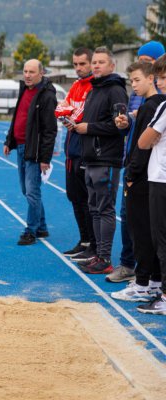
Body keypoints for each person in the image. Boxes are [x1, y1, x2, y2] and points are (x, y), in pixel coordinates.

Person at [107, 41, 165, 283]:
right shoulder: (139, 97)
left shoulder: (159, 102)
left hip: (150, 172)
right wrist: (128, 123)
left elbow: (146, 141)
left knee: (151, 230)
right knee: (133, 222)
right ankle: (135, 269)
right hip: (140, 166)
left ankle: (149, 281)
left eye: (148, 65)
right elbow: (137, 132)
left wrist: (133, 172)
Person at [73, 47, 128, 274]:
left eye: (101, 62)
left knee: (105, 209)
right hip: (91, 157)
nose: (96, 66)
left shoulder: (115, 90)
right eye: (94, 62)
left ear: (111, 66)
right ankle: (97, 254)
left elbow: (119, 126)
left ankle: (105, 258)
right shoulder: (94, 90)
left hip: (106, 158)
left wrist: (89, 128)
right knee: (94, 207)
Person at [3, 59, 57, 246]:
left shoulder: (47, 95)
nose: (27, 75)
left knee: (32, 192)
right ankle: (41, 226)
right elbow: (17, 117)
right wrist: (9, 140)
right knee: (27, 190)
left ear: (41, 73)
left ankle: (31, 231)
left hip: (33, 149)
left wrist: (45, 157)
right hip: (19, 146)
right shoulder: (24, 89)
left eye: (31, 72)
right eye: (25, 71)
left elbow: (50, 129)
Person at [55, 48, 96, 262]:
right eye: (75, 64)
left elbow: (79, 115)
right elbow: (61, 109)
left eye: (83, 64)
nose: (78, 68)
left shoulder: (93, 87)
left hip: (85, 150)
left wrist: (69, 112)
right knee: (74, 197)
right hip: (71, 150)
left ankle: (94, 244)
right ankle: (84, 240)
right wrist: (67, 112)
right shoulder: (75, 85)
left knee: (87, 199)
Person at [135, 65, 166, 315]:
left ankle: (164, 295)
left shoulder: (163, 107)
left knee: (161, 239)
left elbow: (143, 142)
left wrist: (153, 136)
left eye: (164, 78)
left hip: (161, 178)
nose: (160, 82)